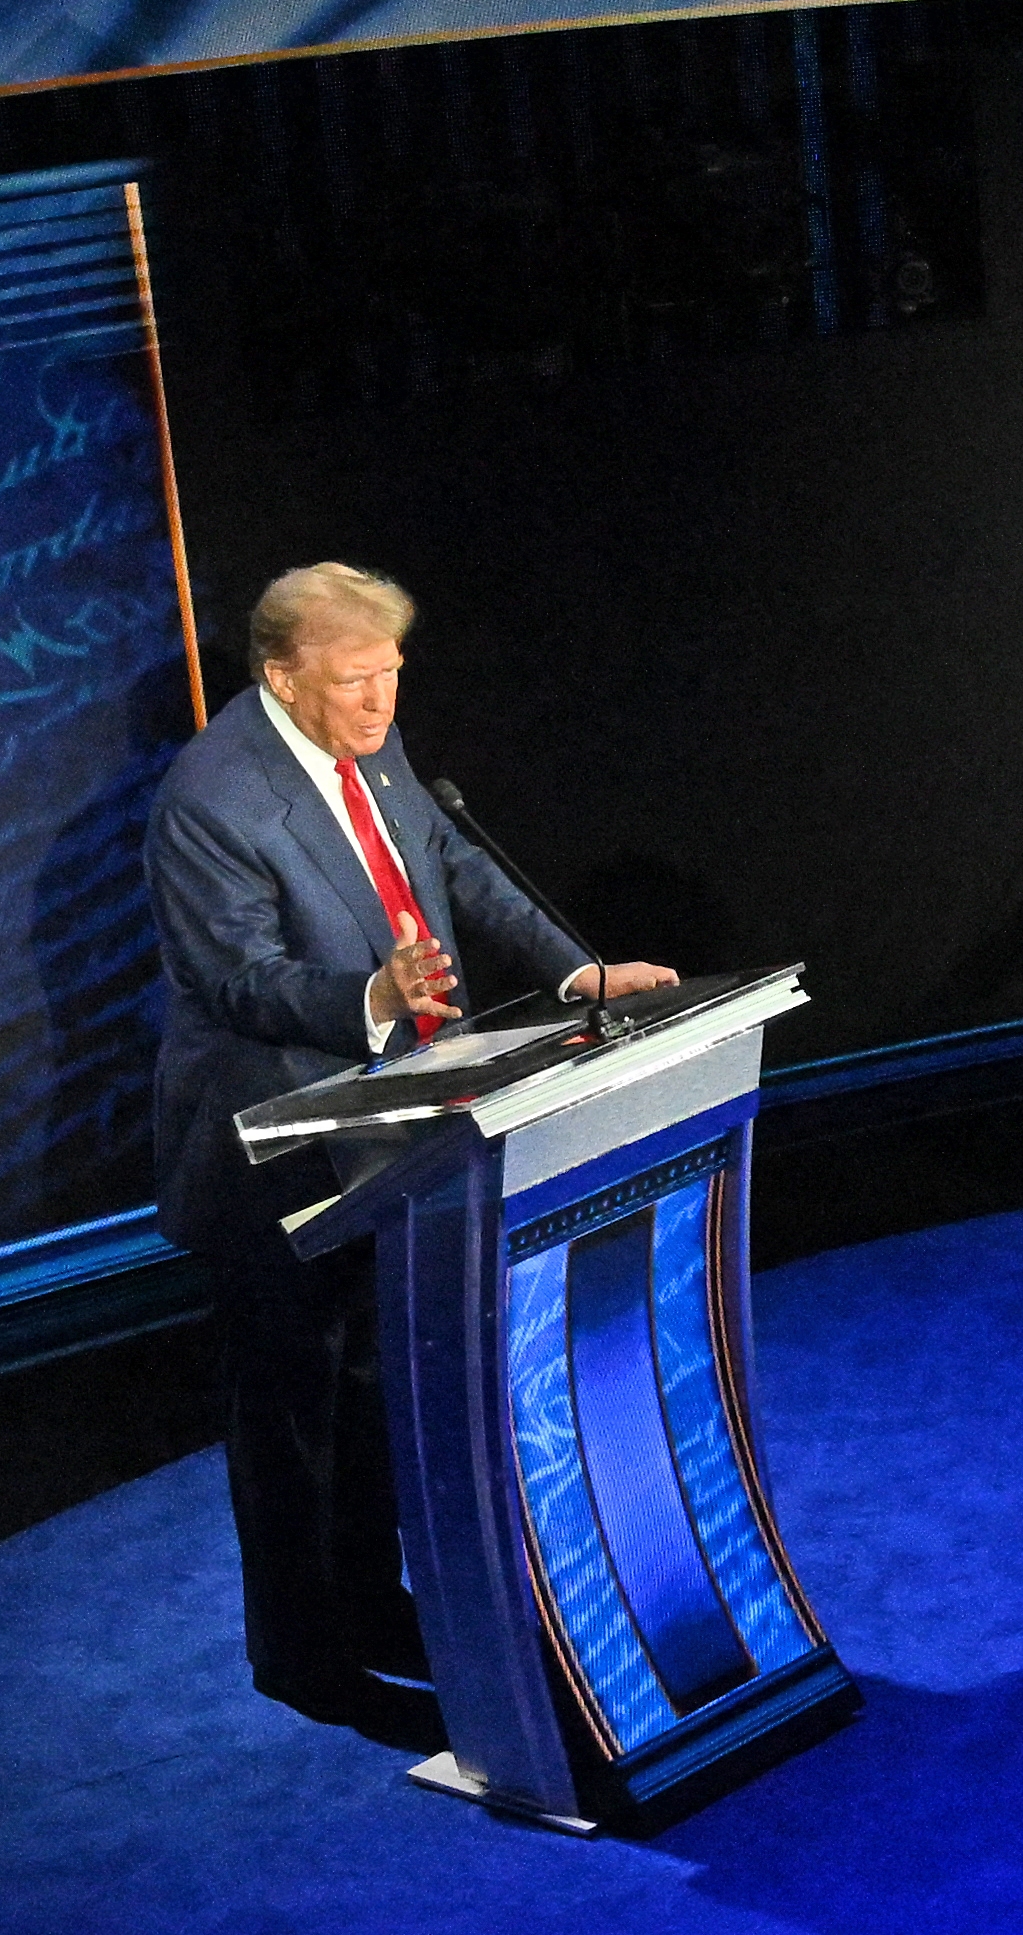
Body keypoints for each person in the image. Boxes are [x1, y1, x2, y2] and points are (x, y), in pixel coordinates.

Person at [145, 564, 679, 1730]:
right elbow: (232, 976)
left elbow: (458, 865)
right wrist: (374, 998)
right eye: (355, 679)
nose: (381, 700)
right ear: (283, 678)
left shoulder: (369, 740)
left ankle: (374, 1605)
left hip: (398, 1129)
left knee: (378, 1391)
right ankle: (301, 1655)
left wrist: (575, 971)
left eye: (392, 673)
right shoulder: (212, 799)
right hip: (271, 1151)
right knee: (292, 1417)